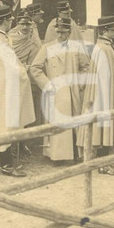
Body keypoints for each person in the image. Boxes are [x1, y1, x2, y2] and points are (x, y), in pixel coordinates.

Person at [0, 5, 34, 176]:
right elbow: (14, 68)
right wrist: (24, 70)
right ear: (4, 21)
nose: (12, 22)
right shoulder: (1, 43)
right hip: (3, 90)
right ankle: (7, 165)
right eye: (10, 19)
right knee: (4, 123)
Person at [30, 16, 90, 163]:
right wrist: (47, 84)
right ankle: (57, 156)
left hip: (73, 92)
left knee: (75, 123)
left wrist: (79, 83)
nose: (60, 35)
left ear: (69, 32)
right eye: (58, 32)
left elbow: (86, 67)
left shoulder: (77, 47)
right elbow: (35, 68)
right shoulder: (47, 47)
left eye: (63, 32)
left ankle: (77, 154)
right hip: (56, 92)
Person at [77, 16, 114, 175]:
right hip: (104, 94)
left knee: (106, 127)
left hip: (107, 93)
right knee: (104, 127)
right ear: (105, 30)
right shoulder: (103, 48)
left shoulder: (106, 46)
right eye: (113, 30)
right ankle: (102, 163)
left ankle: (103, 160)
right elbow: (104, 78)